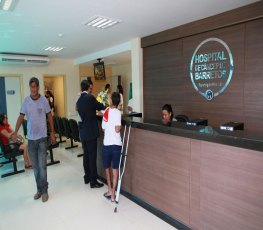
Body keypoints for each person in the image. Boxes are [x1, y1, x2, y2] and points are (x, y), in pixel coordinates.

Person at [12, 77, 55, 203]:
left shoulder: (44, 101)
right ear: (30, 87)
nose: (34, 89)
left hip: (42, 138)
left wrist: (52, 132)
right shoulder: (26, 101)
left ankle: (45, 191)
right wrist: (15, 132)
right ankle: (39, 190)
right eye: (32, 87)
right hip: (31, 140)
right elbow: (21, 117)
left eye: (36, 86)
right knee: (35, 167)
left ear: (38, 87)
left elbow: (50, 116)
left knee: (42, 166)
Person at [77, 80, 104, 188]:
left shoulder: (79, 100)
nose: (91, 89)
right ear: (88, 87)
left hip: (83, 131)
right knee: (92, 157)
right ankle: (93, 181)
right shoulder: (90, 97)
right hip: (91, 131)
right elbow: (100, 106)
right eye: (91, 88)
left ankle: (87, 177)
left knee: (86, 155)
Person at [102, 92, 122, 202]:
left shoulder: (106, 111)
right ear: (118, 102)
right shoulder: (118, 113)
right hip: (116, 145)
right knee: (115, 169)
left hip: (107, 144)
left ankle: (109, 189)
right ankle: (113, 194)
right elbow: (117, 129)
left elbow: (104, 128)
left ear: (111, 101)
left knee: (107, 168)